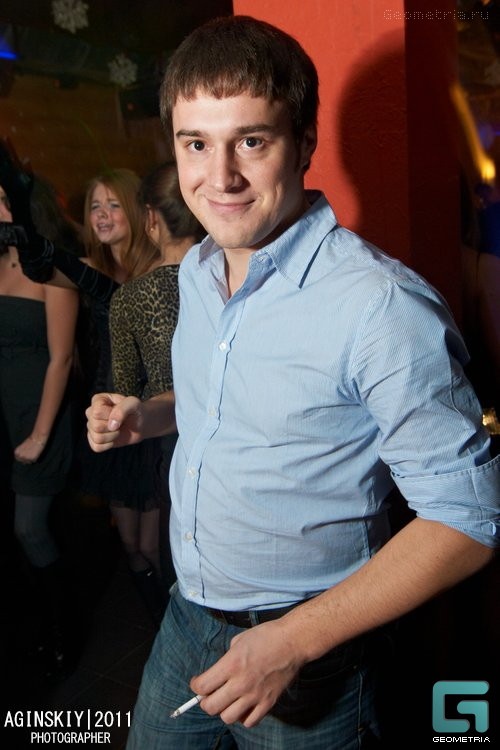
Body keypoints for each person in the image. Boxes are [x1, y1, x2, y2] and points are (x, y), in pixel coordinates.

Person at [86, 16, 500, 750]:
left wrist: (294, 642)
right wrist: (150, 416)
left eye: (251, 141)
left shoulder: (380, 307)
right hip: (188, 616)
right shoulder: (199, 271)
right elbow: (229, 402)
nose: (220, 178)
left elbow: (470, 521)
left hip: (308, 652)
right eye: (196, 144)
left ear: (304, 143)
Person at [0, 163, 80, 680]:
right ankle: (36, 625)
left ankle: (65, 628)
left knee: (30, 527)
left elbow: (61, 358)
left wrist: (40, 435)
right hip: (5, 413)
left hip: (40, 413)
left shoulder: (52, 267)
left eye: (6, 202)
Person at [109, 162, 204, 592]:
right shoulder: (229, 278)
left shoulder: (131, 297)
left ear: (151, 218)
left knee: (164, 554)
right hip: (222, 437)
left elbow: (125, 389)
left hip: (162, 444)